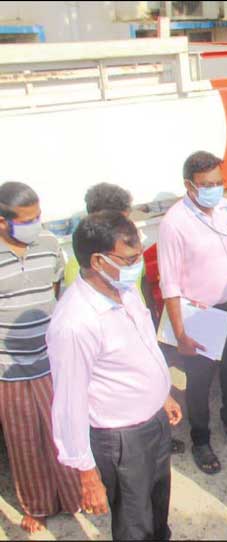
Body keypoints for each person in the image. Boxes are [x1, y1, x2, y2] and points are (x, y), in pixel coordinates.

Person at [48, 211, 182, 541]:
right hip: (122, 439)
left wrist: (161, 394)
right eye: (130, 258)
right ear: (98, 260)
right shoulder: (75, 323)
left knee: (157, 511)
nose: (137, 263)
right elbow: (69, 402)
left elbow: (142, 347)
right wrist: (87, 474)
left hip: (153, 423)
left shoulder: (124, 289)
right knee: (134, 524)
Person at [158, 150, 227, 475]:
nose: (214, 189)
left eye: (218, 182)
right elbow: (170, 284)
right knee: (200, 382)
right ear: (189, 185)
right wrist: (181, 333)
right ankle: (200, 439)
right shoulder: (174, 223)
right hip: (199, 314)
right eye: (206, 184)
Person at [62, 182, 186, 455]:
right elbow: (72, 397)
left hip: (147, 410)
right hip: (119, 429)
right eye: (123, 218)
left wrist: (161, 393)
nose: (128, 224)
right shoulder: (77, 304)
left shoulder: (121, 278)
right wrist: (85, 468)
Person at [0, 181, 81, 533]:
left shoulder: (48, 245)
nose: (36, 224)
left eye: (39, 216)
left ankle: (73, 495)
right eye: (27, 219)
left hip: (51, 361)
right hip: (8, 367)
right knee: (23, 439)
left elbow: (56, 290)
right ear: (2, 221)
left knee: (59, 430)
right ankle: (37, 504)